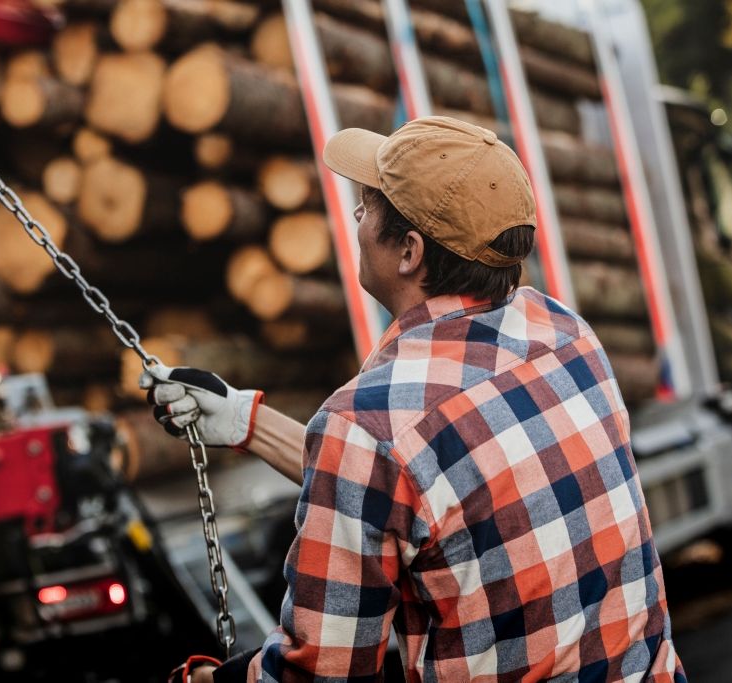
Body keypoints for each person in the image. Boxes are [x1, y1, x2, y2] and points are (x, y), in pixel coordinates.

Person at [143, 116, 685, 682]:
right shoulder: (563, 334)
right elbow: (413, 491)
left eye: (367, 208)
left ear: (408, 251)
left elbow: (322, 673)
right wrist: (243, 422)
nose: (356, 221)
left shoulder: (368, 427)